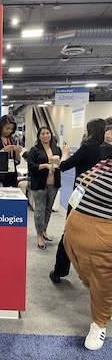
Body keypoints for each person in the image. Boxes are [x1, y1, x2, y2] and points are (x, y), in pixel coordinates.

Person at [63, 125, 112, 351]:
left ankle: (99, 324)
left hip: (102, 239)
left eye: (110, 143)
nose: (105, 146)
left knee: (102, 283)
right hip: (76, 233)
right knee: (92, 280)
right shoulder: (104, 163)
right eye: (106, 140)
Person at [49, 118, 107, 283]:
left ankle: (60, 271)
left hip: (81, 198)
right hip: (102, 201)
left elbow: (64, 165)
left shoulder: (88, 147)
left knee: (69, 233)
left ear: (90, 131)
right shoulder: (105, 150)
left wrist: (65, 154)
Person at [28, 126, 62, 249]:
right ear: (39, 136)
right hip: (39, 184)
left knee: (48, 209)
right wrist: (45, 166)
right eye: (43, 133)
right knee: (39, 210)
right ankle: (39, 235)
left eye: (48, 133)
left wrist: (59, 163)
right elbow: (31, 167)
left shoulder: (57, 149)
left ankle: (44, 230)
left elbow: (61, 164)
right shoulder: (34, 150)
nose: (46, 135)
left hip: (54, 183)